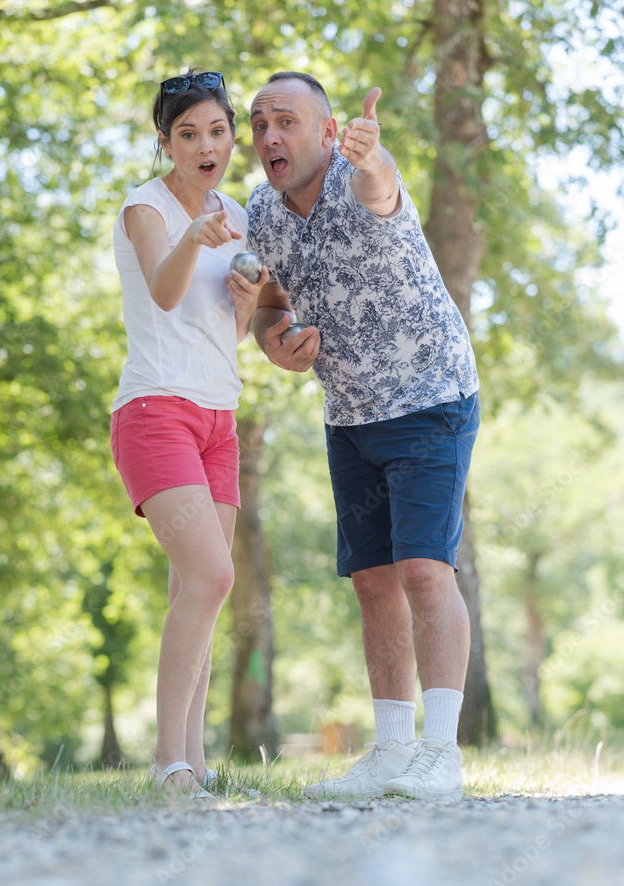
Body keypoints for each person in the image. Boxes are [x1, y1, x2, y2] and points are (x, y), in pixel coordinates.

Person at [246, 72, 480, 802]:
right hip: (348, 414)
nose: (267, 137)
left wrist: (372, 154)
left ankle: (440, 753)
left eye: (285, 121)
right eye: (257, 125)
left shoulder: (361, 174)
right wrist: (272, 341)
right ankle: (390, 751)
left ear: (325, 133)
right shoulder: (261, 212)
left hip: (430, 397)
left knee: (422, 571)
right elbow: (270, 302)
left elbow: (381, 188)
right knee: (373, 580)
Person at [111, 70, 268, 797]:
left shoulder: (236, 211)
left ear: (231, 134)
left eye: (216, 131)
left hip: (217, 419)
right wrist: (195, 237)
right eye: (187, 134)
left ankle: (193, 763)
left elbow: (218, 333)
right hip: (154, 414)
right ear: (166, 142)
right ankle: (166, 761)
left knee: (196, 594)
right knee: (211, 577)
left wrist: (244, 302)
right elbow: (165, 292)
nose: (205, 146)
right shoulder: (145, 208)